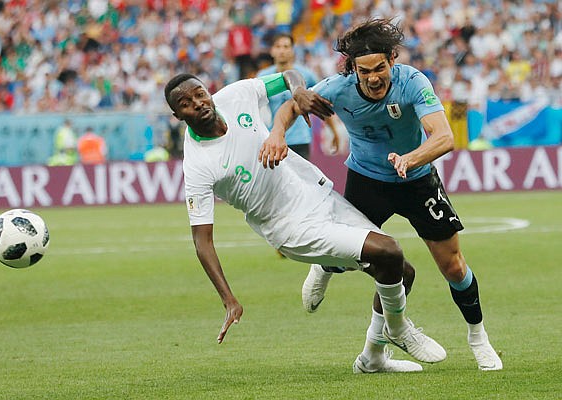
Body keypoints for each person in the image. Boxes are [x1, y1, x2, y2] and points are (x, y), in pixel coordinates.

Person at [164, 70, 447, 373]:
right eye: (186, 103)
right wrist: (228, 299)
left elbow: (288, 75)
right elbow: (202, 241)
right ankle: (398, 328)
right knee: (389, 251)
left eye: (199, 93)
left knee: (401, 274)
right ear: (177, 115)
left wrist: (298, 90)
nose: (198, 103)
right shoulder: (197, 165)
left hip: (314, 193)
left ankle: (372, 358)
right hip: (289, 228)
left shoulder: (235, 96)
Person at [274, 19, 502, 371]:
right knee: (350, 254)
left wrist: (411, 158)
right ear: (353, 69)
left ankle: (478, 338)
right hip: (367, 181)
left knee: (453, 266)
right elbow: (292, 106)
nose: (375, 77)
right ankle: (325, 267)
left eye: (381, 67)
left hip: (417, 180)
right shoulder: (338, 88)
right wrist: (277, 133)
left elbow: (443, 137)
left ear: (392, 61)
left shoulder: (412, 82)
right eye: (365, 71)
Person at [257, 33, 340, 160]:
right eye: (278, 47)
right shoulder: (263, 77)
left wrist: (333, 131)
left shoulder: (306, 75)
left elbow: (321, 103)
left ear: (292, 50)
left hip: (300, 139)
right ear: (272, 51)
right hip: (273, 139)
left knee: (302, 180)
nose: (282, 51)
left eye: (286, 46)